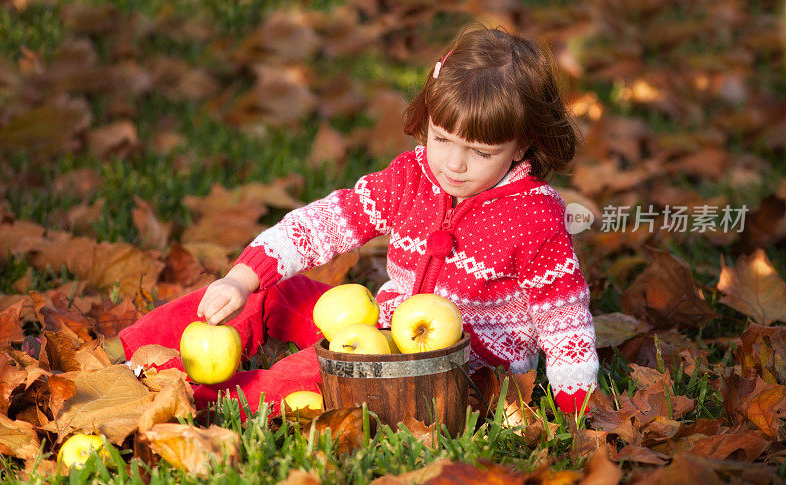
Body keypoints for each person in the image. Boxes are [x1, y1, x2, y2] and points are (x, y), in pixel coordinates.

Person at [107, 24, 598, 416]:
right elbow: (328, 221)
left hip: (460, 367)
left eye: (480, 152)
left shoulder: (533, 217)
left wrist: (574, 406)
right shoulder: (412, 178)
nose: (453, 164)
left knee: (320, 372)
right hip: (384, 325)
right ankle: (126, 356)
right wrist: (244, 275)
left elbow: (564, 320)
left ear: (523, 145)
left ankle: (201, 398)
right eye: (441, 139)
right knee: (272, 293)